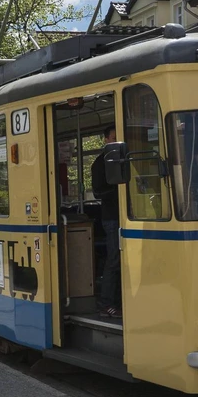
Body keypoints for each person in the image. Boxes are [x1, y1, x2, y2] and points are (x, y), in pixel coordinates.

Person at [90, 126, 121, 318]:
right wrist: (119, 190)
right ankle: (106, 303)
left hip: (127, 216)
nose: (116, 141)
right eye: (113, 138)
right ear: (106, 140)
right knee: (114, 259)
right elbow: (98, 192)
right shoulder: (100, 164)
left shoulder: (124, 158)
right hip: (112, 217)